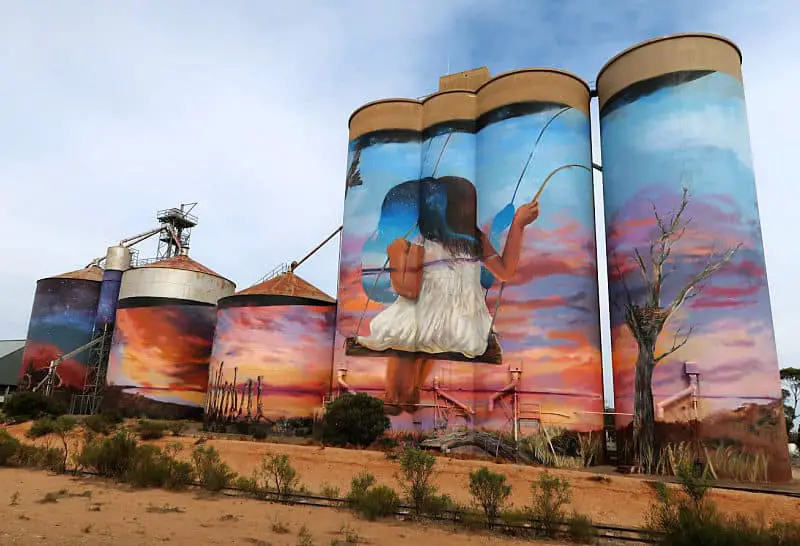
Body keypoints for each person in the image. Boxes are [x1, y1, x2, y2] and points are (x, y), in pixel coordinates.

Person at [357, 176, 540, 414]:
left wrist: (396, 256)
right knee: (432, 332)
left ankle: (392, 394)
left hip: (433, 320)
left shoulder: (423, 237)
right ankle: (413, 388)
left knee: (403, 328)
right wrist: (518, 225)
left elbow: (409, 290)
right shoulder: (476, 239)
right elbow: (505, 271)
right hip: (467, 328)